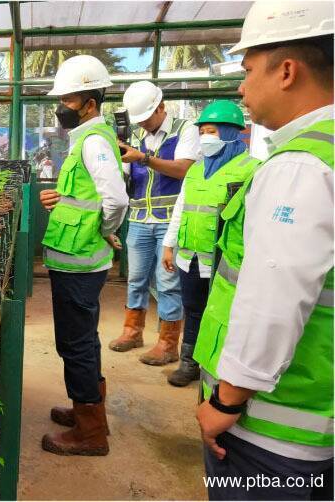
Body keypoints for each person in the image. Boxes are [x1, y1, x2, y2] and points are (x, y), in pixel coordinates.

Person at [192, 2, 333, 499]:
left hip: (276, 428)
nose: (242, 88)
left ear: (288, 71)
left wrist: (226, 401)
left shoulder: (299, 165)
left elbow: (274, 295)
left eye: (249, 70)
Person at [38, 55, 128, 457]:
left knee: (75, 344)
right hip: (77, 260)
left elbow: (116, 200)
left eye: (69, 100)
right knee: (82, 341)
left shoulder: (93, 141)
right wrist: (61, 201)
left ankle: (90, 433)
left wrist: (105, 232)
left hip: (79, 263)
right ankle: (86, 408)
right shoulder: (88, 139)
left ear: (89, 103)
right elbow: (90, 197)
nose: (62, 108)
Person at [160, 101, 259, 387]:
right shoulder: (196, 169)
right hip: (190, 256)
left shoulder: (250, 169)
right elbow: (181, 207)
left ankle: (218, 367)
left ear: (231, 132)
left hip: (224, 260)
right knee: (192, 308)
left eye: (212, 131)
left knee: (222, 312)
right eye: (202, 131)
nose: (205, 137)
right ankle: (189, 363)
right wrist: (169, 245)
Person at [109, 80, 200, 367]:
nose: (143, 125)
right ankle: (132, 331)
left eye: (146, 118)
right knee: (135, 278)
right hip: (138, 219)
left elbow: (184, 169)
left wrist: (144, 158)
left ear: (161, 107)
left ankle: (167, 343)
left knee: (167, 282)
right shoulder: (133, 134)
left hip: (170, 221)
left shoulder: (185, 130)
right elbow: (124, 176)